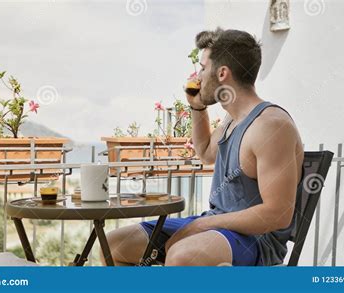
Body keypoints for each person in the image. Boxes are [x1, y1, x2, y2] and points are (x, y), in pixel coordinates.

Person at [103, 28, 304, 266]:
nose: (197, 75)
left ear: (222, 73)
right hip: (217, 224)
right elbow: (206, 152)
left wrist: (202, 224)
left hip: (256, 241)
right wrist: (197, 107)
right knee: (115, 245)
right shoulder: (234, 119)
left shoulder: (270, 126)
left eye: (202, 67)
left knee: (183, 256)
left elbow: (278, 214)